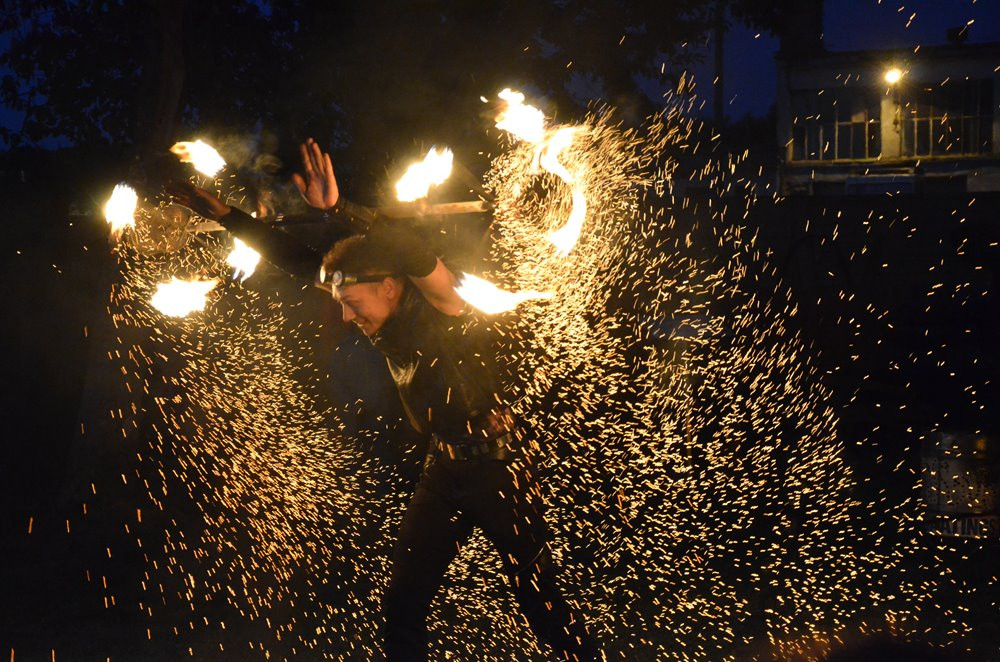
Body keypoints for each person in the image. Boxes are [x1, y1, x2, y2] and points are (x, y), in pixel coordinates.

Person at [169, 138, 599, 661]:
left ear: (391, 286)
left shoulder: (447, 302)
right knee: (402, 604)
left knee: (542, 602)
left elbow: (414, 252)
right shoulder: (371, 308)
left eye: (351, 303)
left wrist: (338, 210)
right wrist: (223, 213)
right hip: (443, 471)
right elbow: (290, 257)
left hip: (500, 469)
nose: (347, 317)